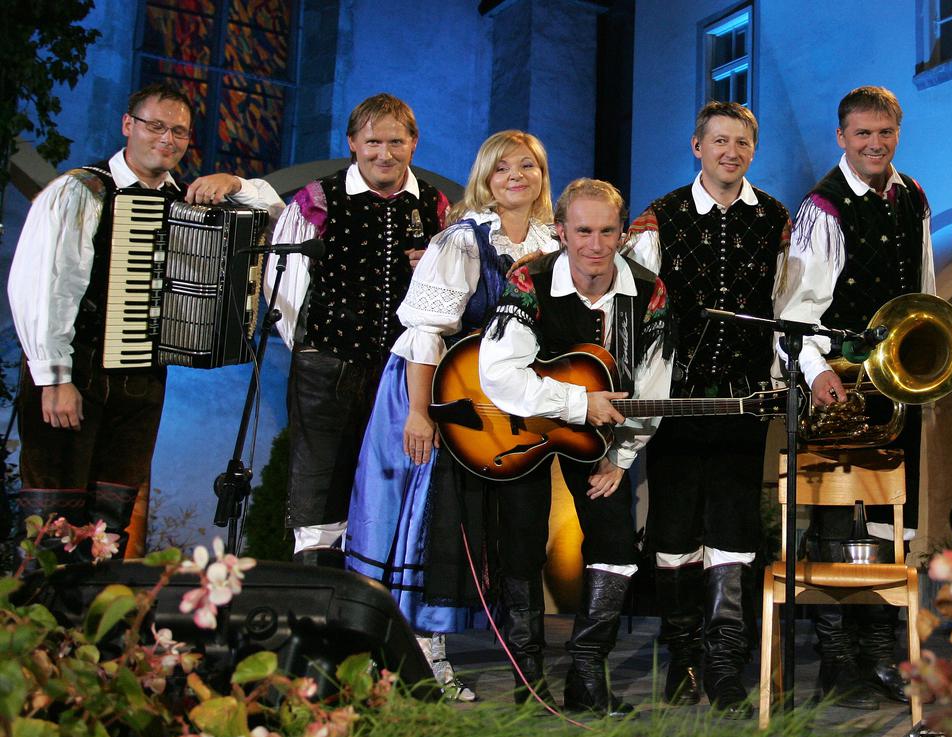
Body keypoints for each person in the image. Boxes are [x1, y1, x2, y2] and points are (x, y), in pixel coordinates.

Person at [8, 82, 282, 556]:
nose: (167, 139)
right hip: (75, 371)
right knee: (53, 523)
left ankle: (101, 625)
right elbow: (44, 286)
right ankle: (43, 626)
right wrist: (54, 377)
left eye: (179, 131)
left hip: (142, 379)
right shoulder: (82, 189)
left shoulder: (189, 199)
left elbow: (282, 216)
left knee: (109, 523)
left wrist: (237, 183)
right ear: (128, 125)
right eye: (156, 126)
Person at [343, 130, 557, 701]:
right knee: (436, 524)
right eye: (503, 167)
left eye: (528, 166)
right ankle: (425, 661)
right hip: (437, 390)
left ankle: (521, 668)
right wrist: (420, 413)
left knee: (504, 531)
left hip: (507, 410)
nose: (516, 176)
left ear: (541, 177)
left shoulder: (552, 245)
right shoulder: (462, 241)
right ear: (485, 178)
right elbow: (424, 333)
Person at [478, 178, 673, 717]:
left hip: (603, 439)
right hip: (520, 429)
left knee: (615, 547)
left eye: (607, 230)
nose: (595, 243)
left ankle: (587, 675)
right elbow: (497, 373)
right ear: (561, 231)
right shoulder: (529, 279)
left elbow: (653, 390)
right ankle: (528, 681)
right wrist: (576, 403)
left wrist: (622, 457)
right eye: (583, 230)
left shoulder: (648, 293)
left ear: (622, 233)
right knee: (521, 544)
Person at [625, 101, 790, 717]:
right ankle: (683, 658)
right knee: (672, 530)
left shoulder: (776, 217)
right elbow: (641, 317)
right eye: (719, 141)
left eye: (741, 142)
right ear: (698, 147)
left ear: (752, 149)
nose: (730, 152)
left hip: (744, 400)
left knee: (733, 532)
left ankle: (724, 666)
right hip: (674, 400)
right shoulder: (660, 218)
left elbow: (783, 304)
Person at [776, 85, 934, 709]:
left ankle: (879, 655)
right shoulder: (822, 208)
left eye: (885, 133)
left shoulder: (914, 195)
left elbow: (921, 289)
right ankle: (837, 661)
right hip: (838, 380)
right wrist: (816, 372)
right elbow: (796, 311)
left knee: (894, 516)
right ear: (842, 137)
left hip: (897, 382)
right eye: (862, 134)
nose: (875, 144)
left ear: (898, 133)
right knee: (838, 518)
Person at [265, 94, 448, 565]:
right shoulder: (317, 199)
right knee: (320, 489)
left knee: (394, 489)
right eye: (372, 142)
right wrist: (311, 349)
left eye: (395, 141)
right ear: (352, 143)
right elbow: (281, 286)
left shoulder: (435, 206)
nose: (383, 153)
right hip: (328, 369)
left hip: (404, 375)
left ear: (413, 143)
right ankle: (318, 608)